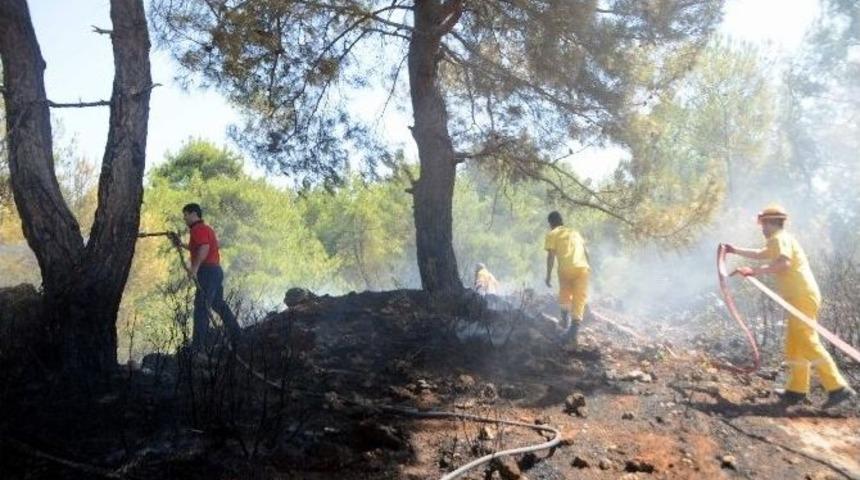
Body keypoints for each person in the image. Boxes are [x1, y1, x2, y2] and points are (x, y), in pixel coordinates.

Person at [725, 204, 856, 408]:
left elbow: (783, 264)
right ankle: (797, 390)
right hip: (799, 297)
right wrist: (735, 250)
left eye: (763, 224)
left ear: (770, 222)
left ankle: (838, 387)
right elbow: (761, 253)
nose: (762, 228)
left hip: (802, 296)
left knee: (807, 340)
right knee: (794, 344)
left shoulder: (779, 238)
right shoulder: (777, 240)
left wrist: (754, 271)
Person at [172, 203, 241, 349]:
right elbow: (198, 247)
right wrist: (181, 244)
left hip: (207, 272)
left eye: (185, 215)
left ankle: (198, 347)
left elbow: (204, 247)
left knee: (201, 308)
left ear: (193, 214)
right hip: (215, 271)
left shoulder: (198, 229)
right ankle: (238, 334)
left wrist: (195, 268)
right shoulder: (206, 229)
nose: (184, 218)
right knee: (217, 304)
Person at [544, 211, 590, 348]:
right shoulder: (575, 232)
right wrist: (589, 267)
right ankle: (573, 330)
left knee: (565, 294)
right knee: (579, 299)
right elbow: (586, 252)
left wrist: (548, 276)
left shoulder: (552, 234)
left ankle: (565, 322)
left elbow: (551, 256)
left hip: (566, 268)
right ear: (561, 221)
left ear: (551, 223)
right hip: (583, 268)